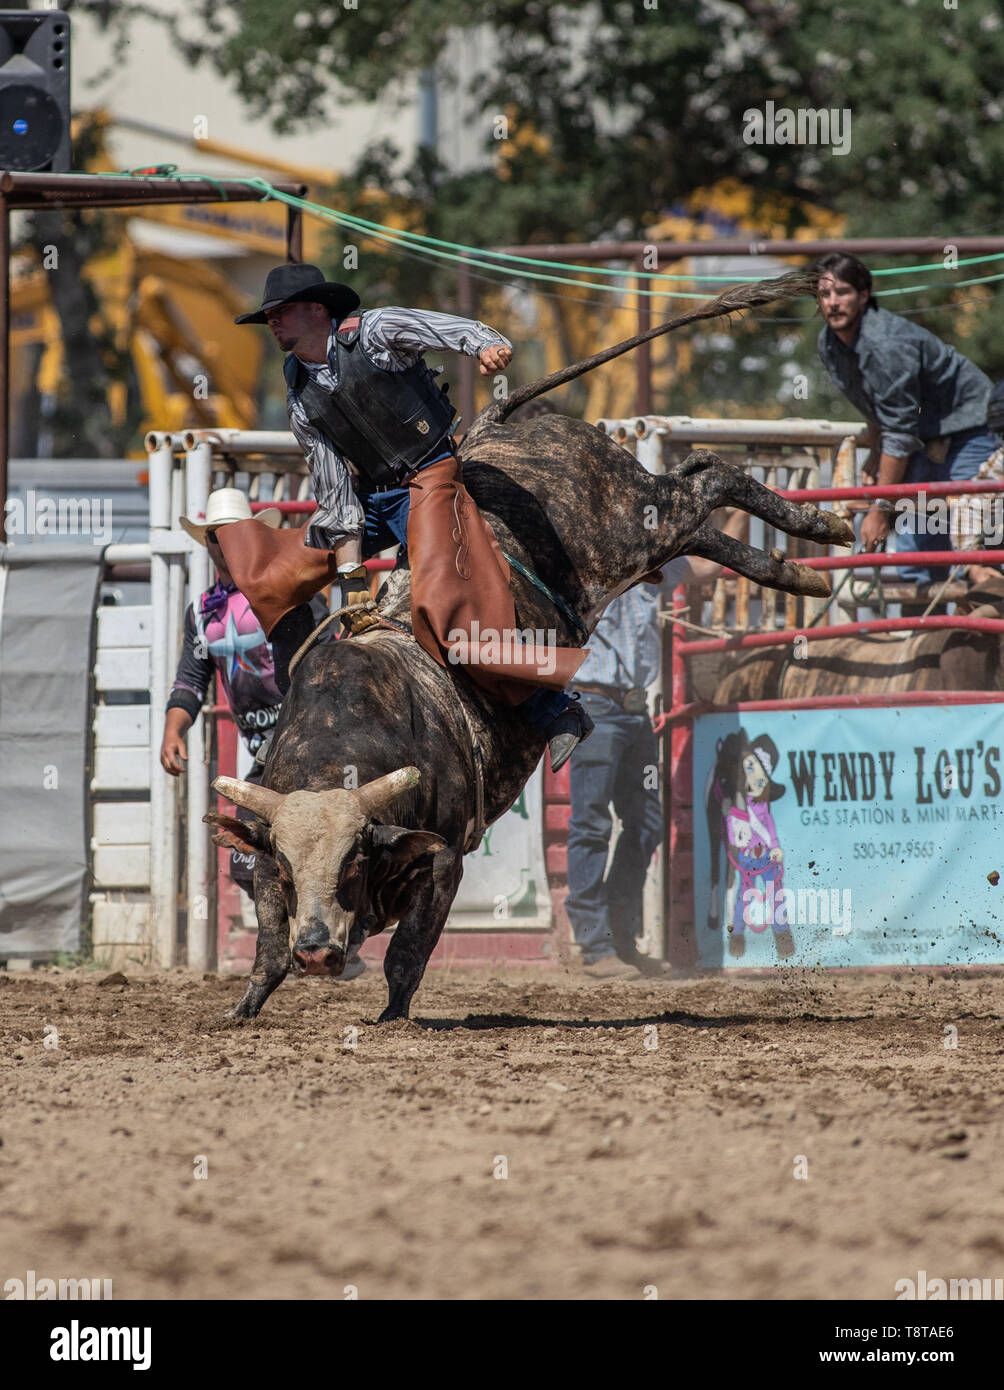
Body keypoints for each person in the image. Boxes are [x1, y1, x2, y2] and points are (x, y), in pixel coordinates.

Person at [227, 263, 591, 772]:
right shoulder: (298, 393)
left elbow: (445, 328)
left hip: (430, 475)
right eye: (267, 315)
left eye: (280, 311)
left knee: (440, 609)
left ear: (316, 309)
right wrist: (353, 581)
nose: (271, 322)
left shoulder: (372, 331)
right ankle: (296, 698)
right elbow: (337, 497)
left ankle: (555, 710)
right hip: (373, 497)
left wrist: (486, 343)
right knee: (269, 579)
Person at [565, 520, 744, 980]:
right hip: (594, 705)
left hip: (629, 710)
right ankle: (594, 942)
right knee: (592, 822)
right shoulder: (585, 559)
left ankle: (618, 940)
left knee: (643, 823)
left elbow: (706, 568)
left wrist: (736, 505)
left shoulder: (656, 565)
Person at [160, 488, 328, 903]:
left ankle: (326, 943)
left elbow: (325, 660)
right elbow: (190, 680)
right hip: (259, 753)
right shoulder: (202, 612)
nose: (225, 545)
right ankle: (301, 942)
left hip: (305, 744)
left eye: (235, 533)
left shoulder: (288, 589)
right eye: (216, 536)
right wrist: (173, 728)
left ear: (252, 537)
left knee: (317, 855)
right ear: (209, 543)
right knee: (248, 864)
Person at [814, 252, 1001, 590]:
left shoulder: (886, 344)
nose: (832, 303)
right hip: (923, 435)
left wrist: (880, 507)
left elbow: (899, 428)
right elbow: (875, 407)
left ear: (864, 295)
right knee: (918, 543)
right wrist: (875, 453)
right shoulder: (829, 343)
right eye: (824, 294)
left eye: (842, 292)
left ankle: (979, 629)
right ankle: (927, 634)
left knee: (968, 529)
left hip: (968, 428)